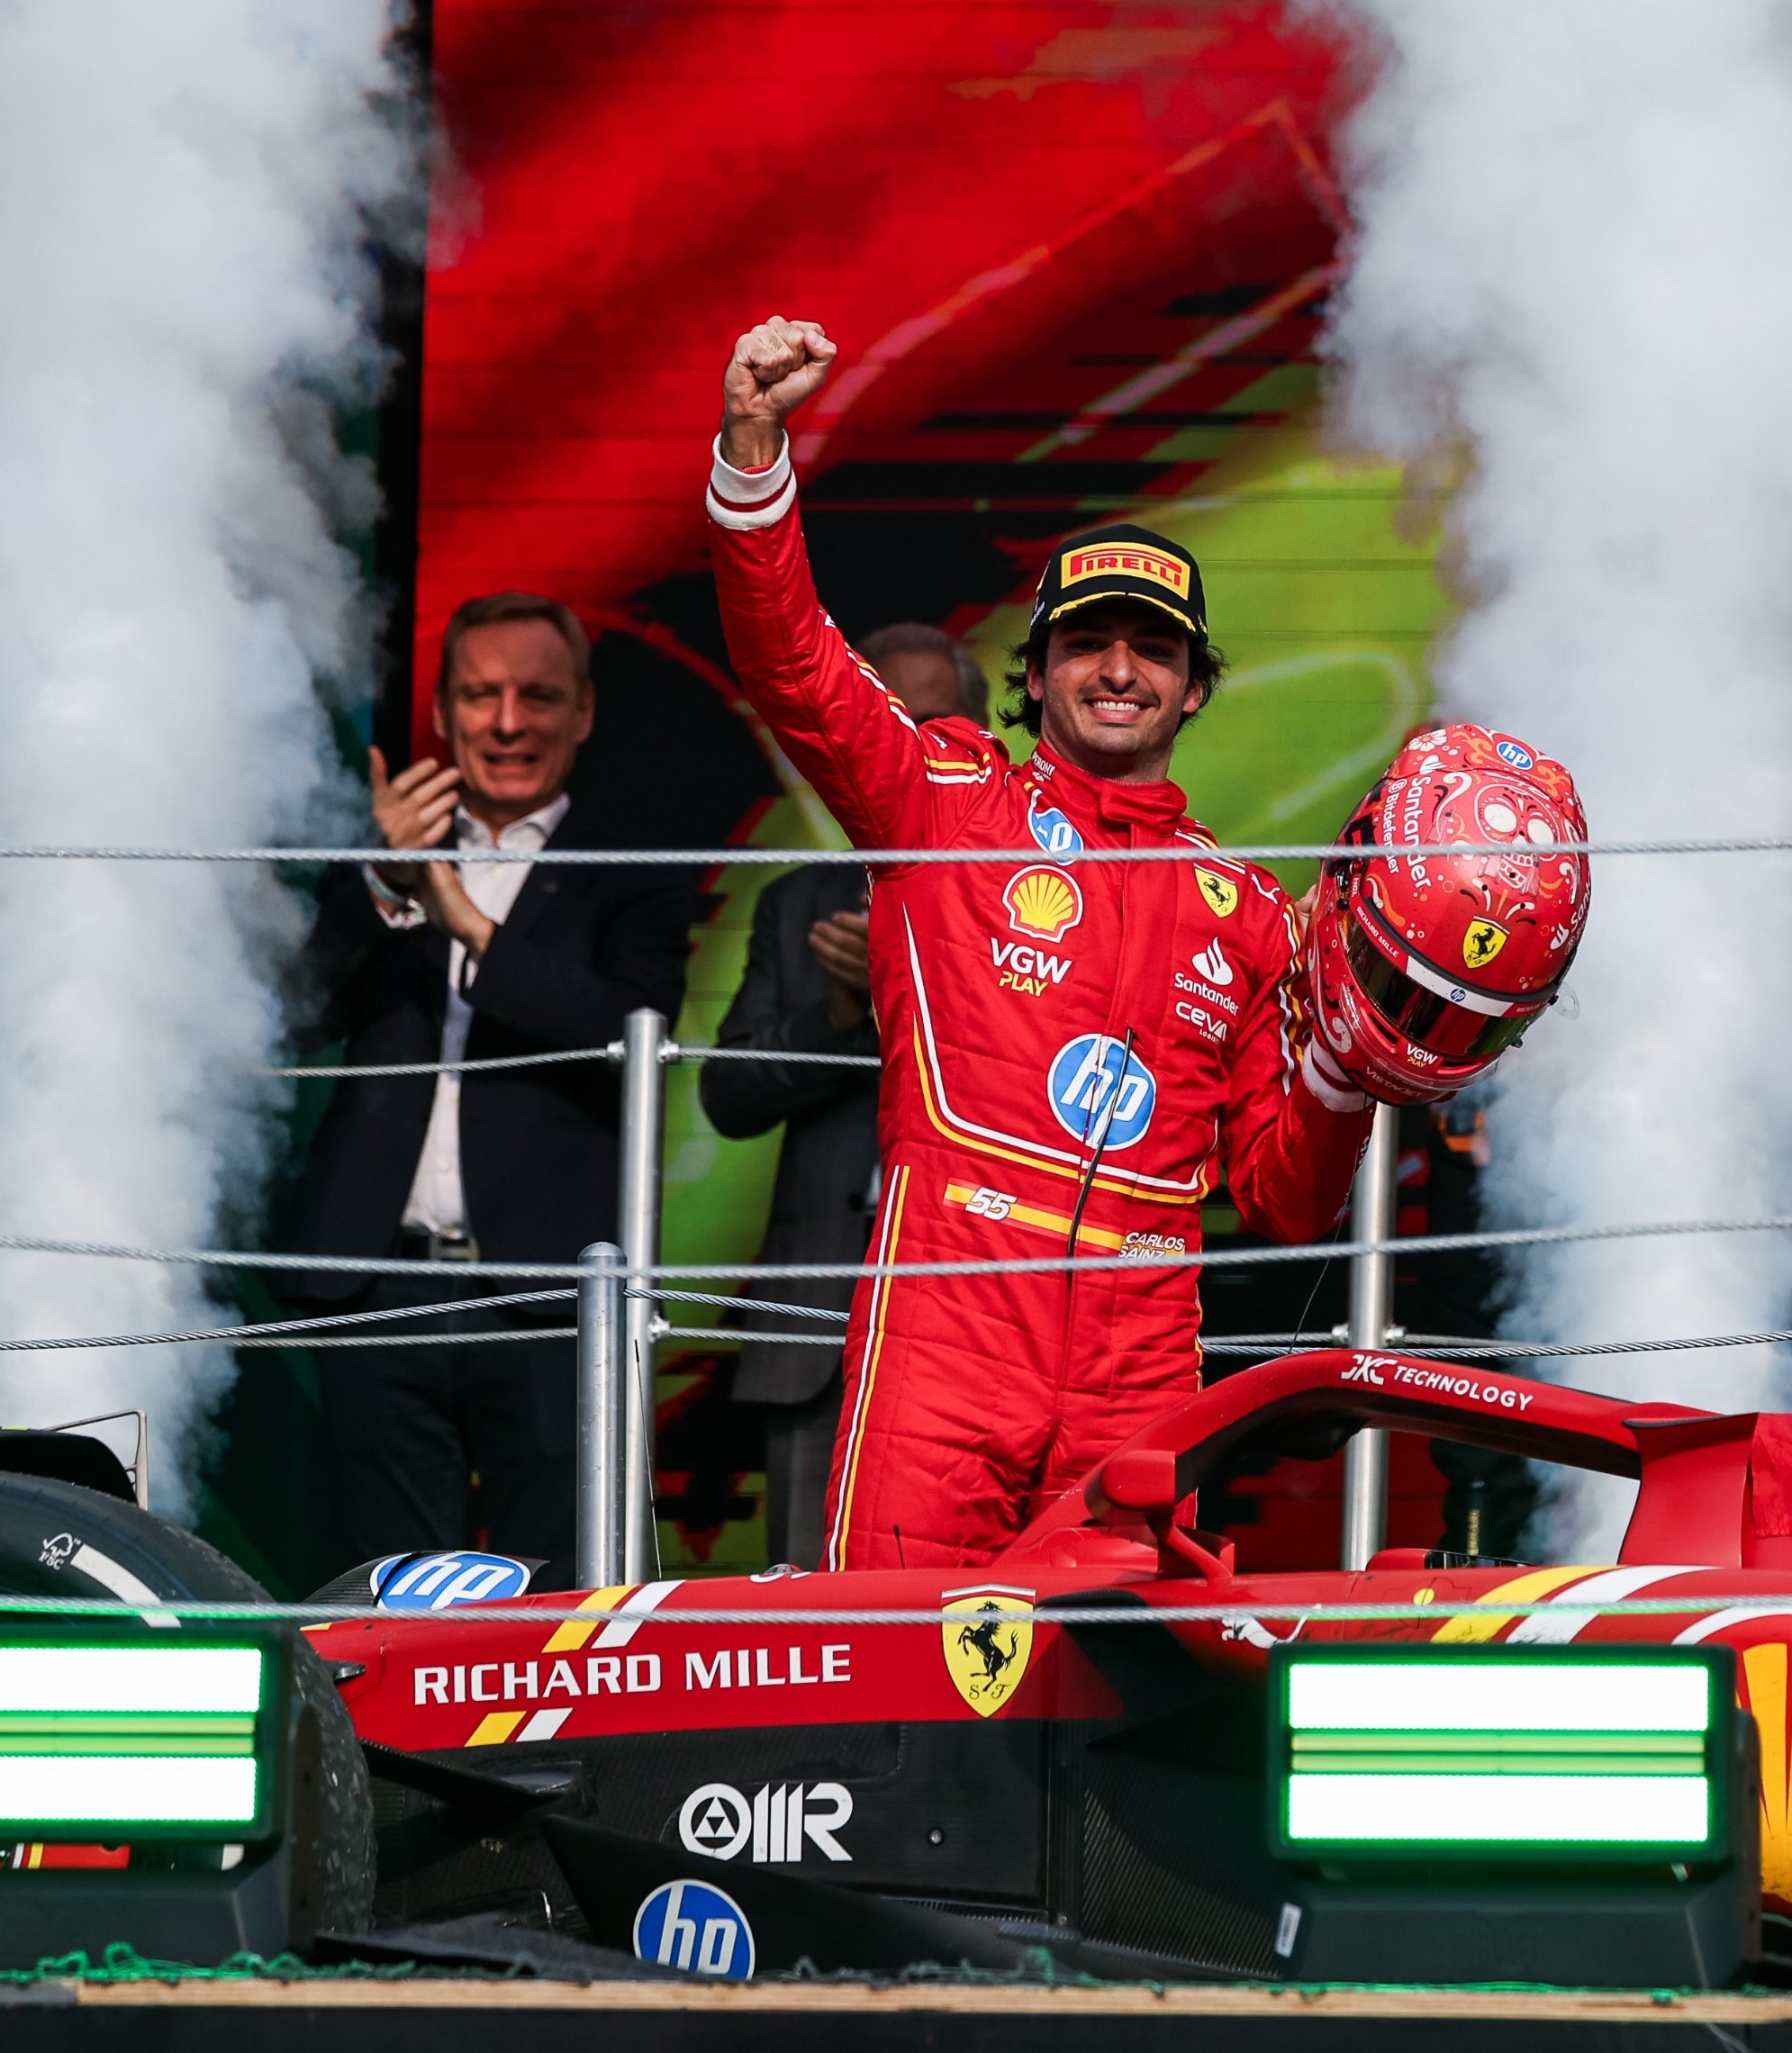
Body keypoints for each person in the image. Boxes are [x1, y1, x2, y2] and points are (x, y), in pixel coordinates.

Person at [701, 315, 1376, 1567]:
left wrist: (1358, 1064)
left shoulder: (1253, 910)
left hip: (1143, 1355)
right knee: (900, 1687)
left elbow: (1286, 1200)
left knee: (1119, 1713)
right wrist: (754, 452)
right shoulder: (942, 801)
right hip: (947, 1323)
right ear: (1041, 668)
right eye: (1088, 643)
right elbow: (792, 664)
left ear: (1192, 681)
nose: (1119, 669)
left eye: (1153, 648)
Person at [284, 592, 694, 1566]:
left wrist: (463, 918)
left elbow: (621, 1029)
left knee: (553, 1600)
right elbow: (294, 1009)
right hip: (382, 1285)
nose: (508, 723)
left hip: (548, 1295)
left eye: (537, 697)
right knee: (386, 1593)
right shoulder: (382, 856)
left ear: (584, 713)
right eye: (481, 695)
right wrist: (388, 883)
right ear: (442, 712)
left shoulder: (636, 865)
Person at [700, 620, 986, 1570]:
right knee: (800, 1618)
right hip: (815, 1321)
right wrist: (837, 1015)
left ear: (983, 746)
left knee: (975, 1618)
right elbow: (727, 1096)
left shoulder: (1023, 894)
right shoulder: (797, 904)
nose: (901, 747)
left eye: (932, 726)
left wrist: (904, 984)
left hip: (972, 1324)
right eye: (884, 719)